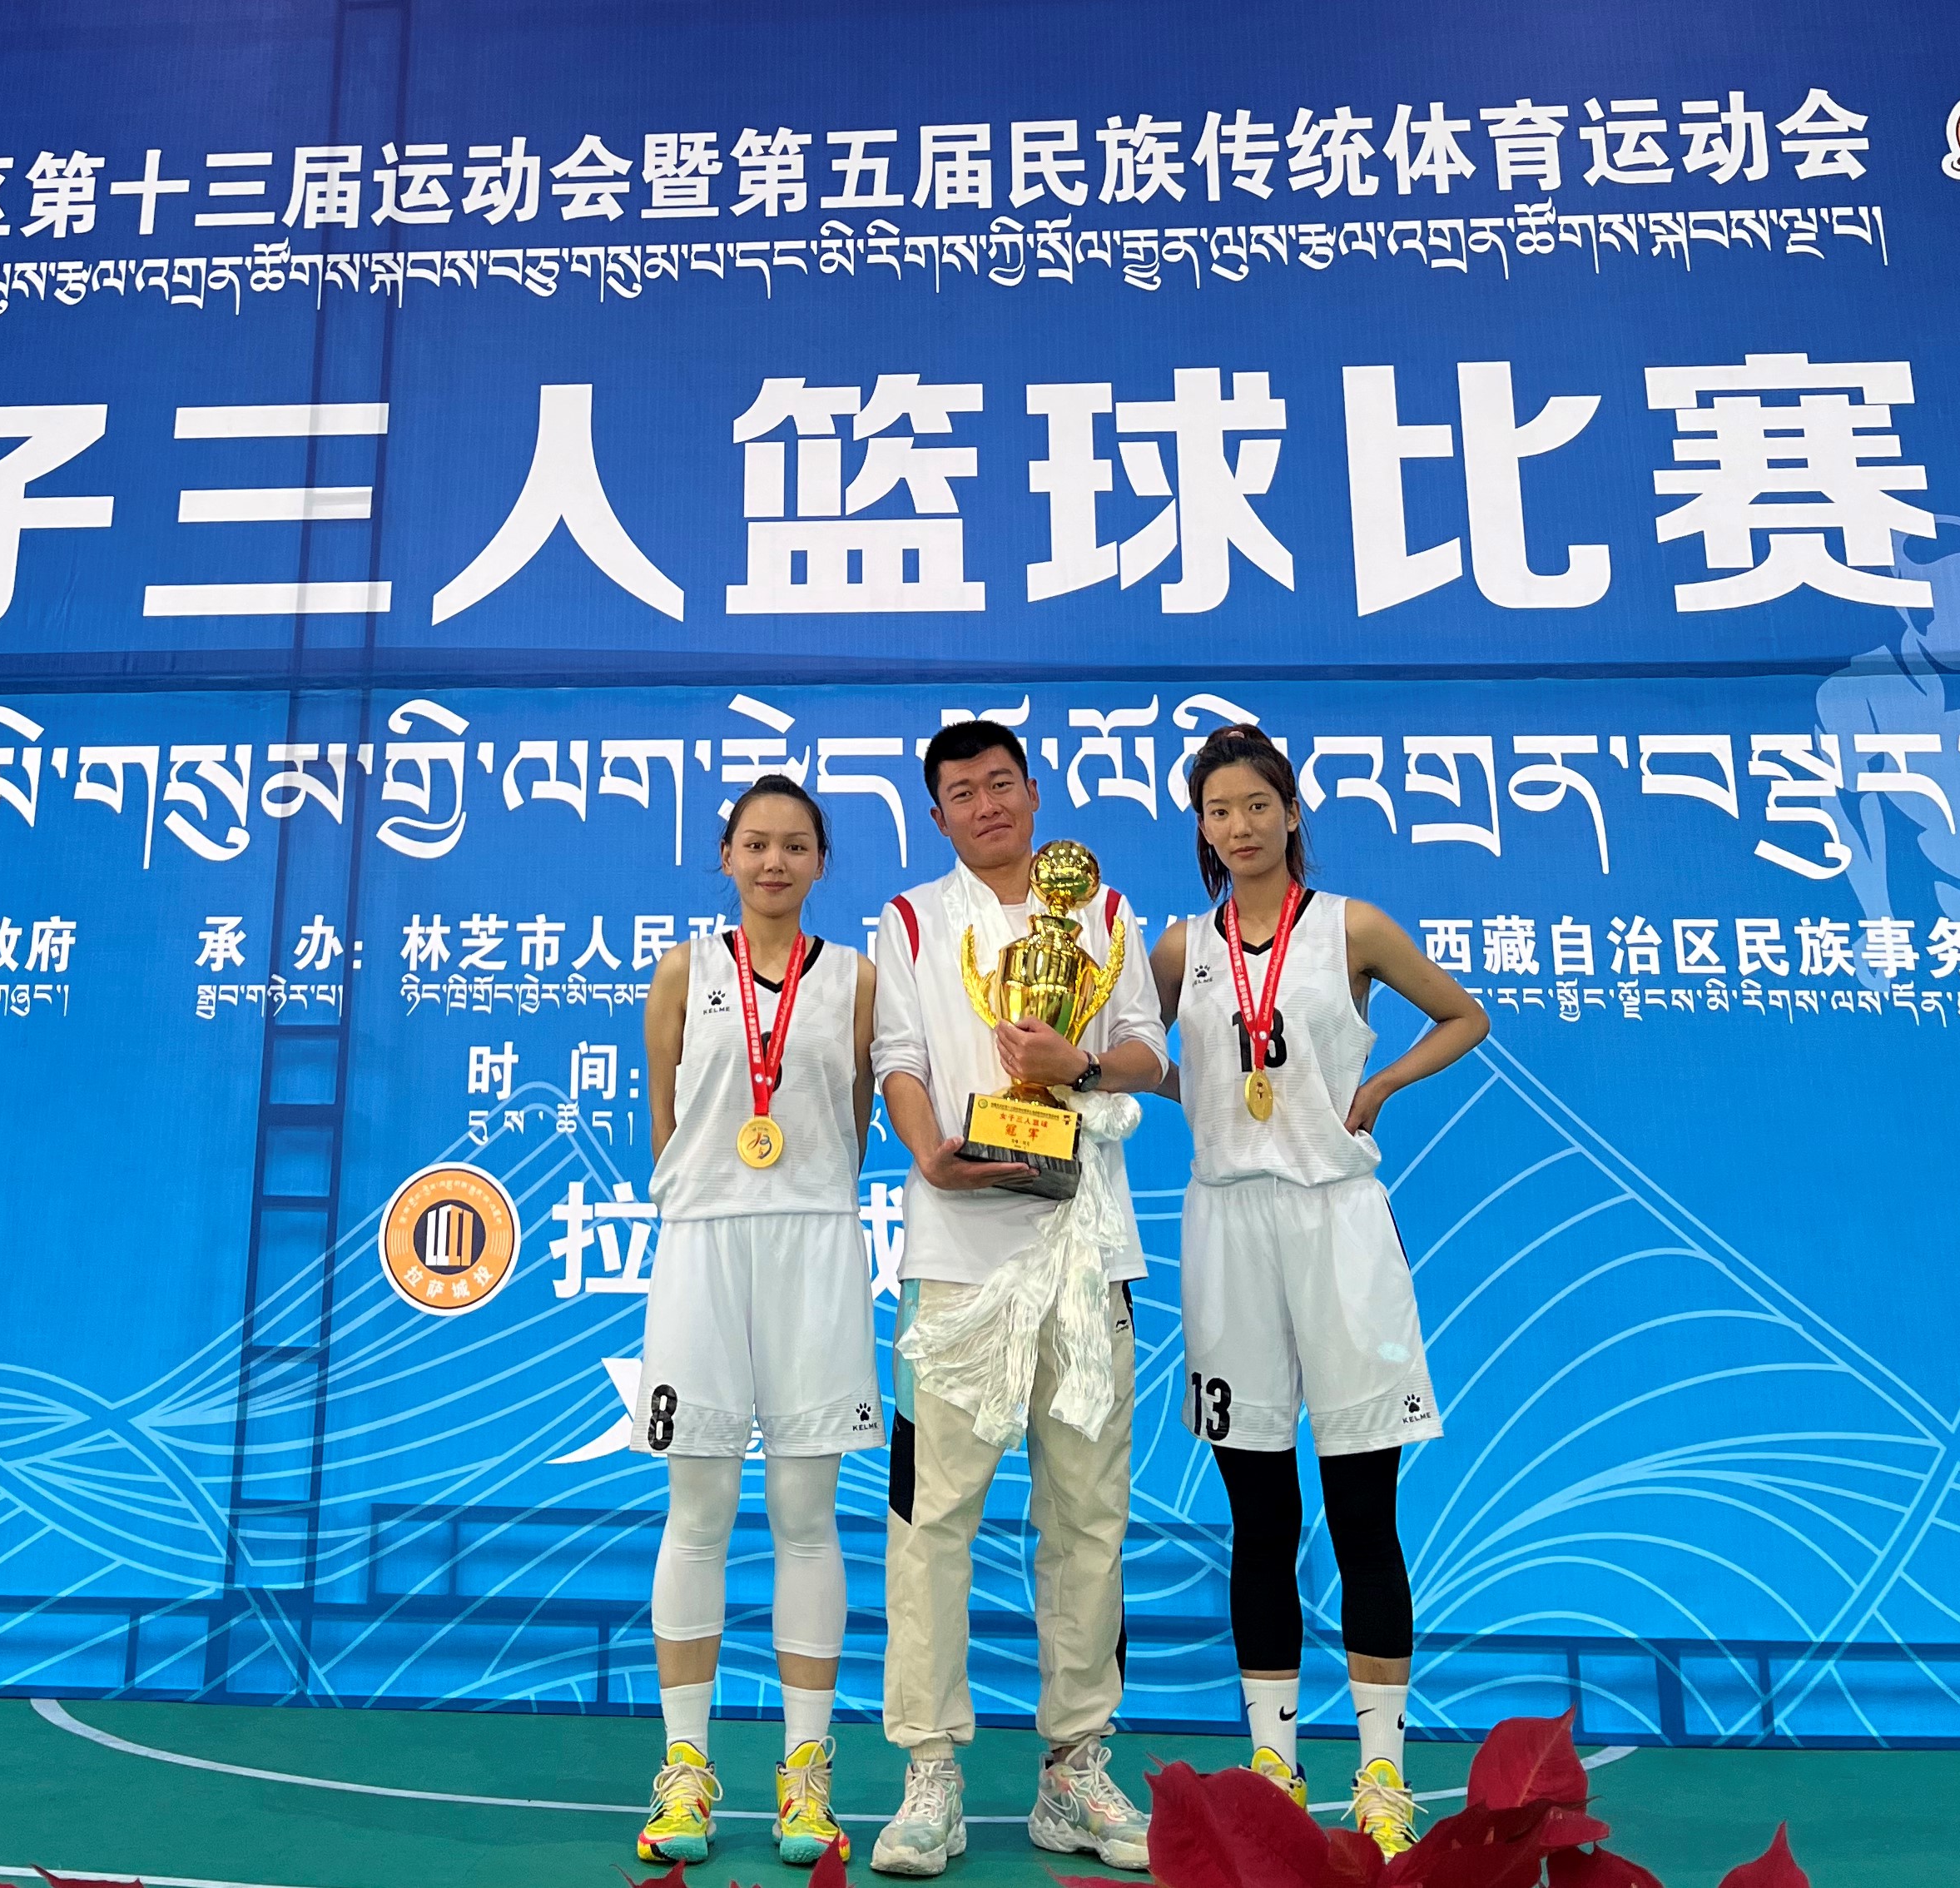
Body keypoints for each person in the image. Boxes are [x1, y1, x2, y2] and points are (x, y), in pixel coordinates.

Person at [1149, 723, 1487, 1857]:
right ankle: (1274, 1767)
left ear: (1291, 813)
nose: (1239, 826)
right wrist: (1155, 1082)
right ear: (1201, 829)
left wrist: (1381, 1084)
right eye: (1218, 811)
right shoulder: (1180, 948)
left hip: (1339, 1224)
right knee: (1258, 1517)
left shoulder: (1353, 927)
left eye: (1257, 805)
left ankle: (1382, 1773)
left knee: (1362, 1514)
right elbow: (1154, 1060)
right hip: (1226, 1226)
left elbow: (1465, 1015)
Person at [867, 720, 1169, 1878]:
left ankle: (1075, 1770)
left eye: (1002, 783)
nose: (987, 804)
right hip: (955, 1258)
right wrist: (930, 1155)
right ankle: (929, 1774)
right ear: (937, 815)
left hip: (1088, 1255)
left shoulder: (1104, 911)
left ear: (1035, 793)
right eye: (963, 792)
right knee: (931, 1518)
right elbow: (898, 1058)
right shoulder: (910, 920)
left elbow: (1147, 1053)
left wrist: (1072, 1067)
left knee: (1087, 1518)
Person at [631, 773, 882, 1872]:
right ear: (726, 857)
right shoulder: (682, 971)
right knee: (698, 1511)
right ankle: (685, 1771)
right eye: (755, 843)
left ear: (821, 861)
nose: (774, 861)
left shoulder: (859, 980)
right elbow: (665, 1116)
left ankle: (805, 1778)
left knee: (804, 1514)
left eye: (795, 845)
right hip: (703, 1243)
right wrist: (713, 1199)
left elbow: (857, 1118)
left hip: (814, 1244)